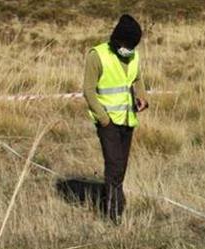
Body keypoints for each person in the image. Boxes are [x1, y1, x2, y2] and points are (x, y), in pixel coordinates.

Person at [82, 14, 148, 224]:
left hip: (128, 119)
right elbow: (88, 91)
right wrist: (103, 119)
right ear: (117, 39)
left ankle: (115, 203)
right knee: (114, 166)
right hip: (108, 121)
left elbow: (137, 79)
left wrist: (143, 97)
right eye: (127, 44)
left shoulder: (134, 55)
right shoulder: (97, 55)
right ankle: (112, 214)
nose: (129, 49)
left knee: (122, 167)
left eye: (133, 45)